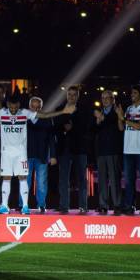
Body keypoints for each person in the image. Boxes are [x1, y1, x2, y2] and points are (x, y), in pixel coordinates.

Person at [0, 91, 73, 214]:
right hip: (6, 152)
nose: (13, 109)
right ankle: (4, 205)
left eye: (16, 107)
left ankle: (25, 206)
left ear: (19, 104)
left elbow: (44, 115)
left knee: (23, 178)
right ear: (7, 104)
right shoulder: (2, 112)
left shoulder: (24, 112)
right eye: (11, 107)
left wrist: (63, 112)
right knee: (6, 178)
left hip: (21, 153)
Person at [55, 85, 93, 214]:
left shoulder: (84, 110)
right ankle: (64, 206)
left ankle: (83, 206)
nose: (71, 97)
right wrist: (65, 127)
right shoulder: (60, 109)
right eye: (69, 94)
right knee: (63, 179)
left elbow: (86, 128)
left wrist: (72, 128)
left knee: (82, 179)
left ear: (78, 96)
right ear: (66, 96)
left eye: (74, 95)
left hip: (80, 148)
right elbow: (56, 127)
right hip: (64, 149)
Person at [116, 85, 140, 215]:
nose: (132, 95)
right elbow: (121, 128)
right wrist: (119, 116)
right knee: (128, 180)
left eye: (135, 93)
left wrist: (124, 118)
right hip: (128, 149)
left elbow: (139, 126)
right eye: (132, 93)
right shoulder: (129, 108)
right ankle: (129, 205)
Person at [93, 89, 122, 214]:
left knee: (115, 178)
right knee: (102, 179)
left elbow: (119, 128)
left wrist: (103, 118)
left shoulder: (117, 111)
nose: (104, 100)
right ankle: (103, 204)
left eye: (107, 97)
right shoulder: (98, 113)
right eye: (103, 97)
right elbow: (93, 130)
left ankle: (117, 205)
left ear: (113, 99)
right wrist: (98, 121)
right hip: (101, 150)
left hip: (113, 149)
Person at [26, 96, 56, 214]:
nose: (35, 109)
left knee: (42, 182)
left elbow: (51, 139)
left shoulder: (47, 119)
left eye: (38, 106)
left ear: (41, 107)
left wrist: (52, 155)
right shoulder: (24, 119)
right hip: (26, 156)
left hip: (42, 155)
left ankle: (42, 205)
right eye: (33, 106)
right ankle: (22, 204)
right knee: (25, 182)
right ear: (29, 107)